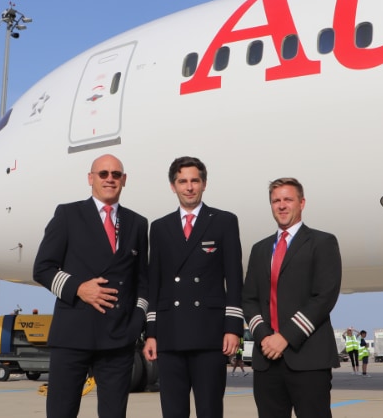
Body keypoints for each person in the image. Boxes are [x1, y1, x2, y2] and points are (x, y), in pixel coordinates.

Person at [33, 154, 149, 418]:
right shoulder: (68, 214)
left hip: (118, 337)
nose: (110, 179)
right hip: (73, 335)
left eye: (116, 175)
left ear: (124, 180)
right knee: (62, 412)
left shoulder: (137, 223)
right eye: (103, 174)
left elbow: (143, 281)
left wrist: (136, 323)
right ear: (90, 178)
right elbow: (42, 268)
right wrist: (78, 288)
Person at [143, 156, 244, 418]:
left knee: (209, 410)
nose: (189, 187)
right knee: (173, 411)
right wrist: (151, 333)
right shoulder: (160, 227)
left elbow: (234, 278)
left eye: (194, 181)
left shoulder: (223, 221)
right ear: (173, 186)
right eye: (182, 181)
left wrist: (233, 328)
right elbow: (155, 283)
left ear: (204, 184)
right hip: (170, 334)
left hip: (209, 334)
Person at [242, 177, 342, 418]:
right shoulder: (260, 249)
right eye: (276, 200)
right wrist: (266, 337)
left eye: (288, 199)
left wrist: (285, 337)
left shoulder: (322, 242)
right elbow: (249, 299)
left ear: (302, 203)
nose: (282, 205)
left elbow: (324, 296)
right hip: (267, 360)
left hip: (308, 358)